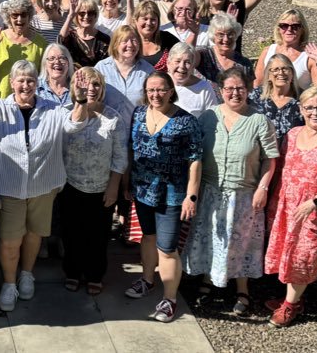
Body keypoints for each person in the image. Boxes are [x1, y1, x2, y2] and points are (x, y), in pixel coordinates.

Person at [0, 60, 89, 311]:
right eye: (20, 80)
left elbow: (74, 124)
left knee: (34, 234)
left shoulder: (52, 109)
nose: (25, 85)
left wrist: (81, 101)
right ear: (11, 83)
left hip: (43, 184)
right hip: (8, 186)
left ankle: (27, 274)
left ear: (37, 83)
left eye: (30, 80)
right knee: (10, 239)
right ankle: (9, 283)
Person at [184, 68, 278, 314]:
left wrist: (263, 188)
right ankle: (207, 281)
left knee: (241, 243)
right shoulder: (208, 117)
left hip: (243, 194)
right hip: (210, 191)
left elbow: (270, 159)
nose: (235, 93)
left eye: (240, 88)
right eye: (229, 89)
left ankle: (242, 289)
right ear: (221, 91)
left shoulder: (259, 120)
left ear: (247, 90)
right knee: (210, 238)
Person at [264, 86, 317, 328]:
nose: (316, 112)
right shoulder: (292, 135)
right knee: (288, 254)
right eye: (310, 107)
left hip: (315, 211)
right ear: (301, 110)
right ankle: (292, 298)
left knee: (304, 257)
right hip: (286, 206)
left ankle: (290, 307)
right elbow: (280, 168)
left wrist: (313, 202)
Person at [124, 71, 203, 324]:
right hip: (142, 189)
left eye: (160, 90)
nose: (155, 95)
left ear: (171, 90)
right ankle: (147, 279)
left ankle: (170, 298)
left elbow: (195, 160)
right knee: (147, 237)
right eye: (151, 90)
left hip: (172, 193)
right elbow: (130, 150)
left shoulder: (186, 121)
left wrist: (191, 195)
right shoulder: (138, 114)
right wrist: (127, 182)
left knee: (167, 249)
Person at [58, 68, 129, 295]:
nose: (91, 89)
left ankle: (95, 275)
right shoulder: (64, 114)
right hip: (70, 185)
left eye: (96, 84)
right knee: (71, 234)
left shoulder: (113, 117)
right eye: (86, 84)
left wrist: (113, 187)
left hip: (102, 187)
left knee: (97, 236)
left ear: (102, 88)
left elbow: (120, 157)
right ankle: (72, 272)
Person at [0, 0, 47, 101]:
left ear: (29, 16)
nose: (19, 19)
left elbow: (44, 77)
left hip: (28, 102)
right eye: (15, 15)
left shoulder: (41, 43)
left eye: (23, 15)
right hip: (0, 101)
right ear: (8, 17)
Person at [254, 9, 317, 92]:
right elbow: (257, 84)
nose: (289, 29)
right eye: (284, 26)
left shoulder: (309, 56)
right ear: (278, 29)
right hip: (268, 102)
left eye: (295, 26)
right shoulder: (268, 51)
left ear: (302, 29)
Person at [250, 54, 305, 148]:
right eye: (275, 69)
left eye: (285, 69)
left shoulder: (303, 98)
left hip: (291, 154)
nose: (281, 73)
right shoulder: (256, 96)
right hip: (261, 154)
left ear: (292, 73)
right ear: (268, 75)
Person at [94, 25, 153, 111]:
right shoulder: (101, 68)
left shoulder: (148, 70)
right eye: (124, 41)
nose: (130, 45)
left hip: (137, 123)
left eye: (134, 40)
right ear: (115, 44)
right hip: (108, 123)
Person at [196, 14, 252, 85]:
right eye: (220, 35)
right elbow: (187, 56)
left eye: (230, 34)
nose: (226, 39)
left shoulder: (245, 64)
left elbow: (249, 93)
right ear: (213, 36)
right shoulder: (203, 54)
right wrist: (194, 34)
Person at [169, 43, 222, 117]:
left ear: (193, 67)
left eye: (187, 62)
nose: (182, 66)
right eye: (177, 61)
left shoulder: (204, 88)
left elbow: (212, 120)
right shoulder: (160, 83)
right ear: (168, 63)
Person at [132, 0, 179, 75]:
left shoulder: (167, 38)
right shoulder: (129, 40)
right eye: (145, 19)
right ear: (136, 20)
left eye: (153, 19)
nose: (149, 23)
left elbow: (184, 53)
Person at [59, 0, 109, 68]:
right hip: (74, 77)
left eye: (91, 13)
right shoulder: (70, 36)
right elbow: (61, 39)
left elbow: (106, 65)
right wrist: (71, 15)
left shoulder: (104, 39)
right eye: (82, 13)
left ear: (95, 15)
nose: (86, 16)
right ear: (76, 15)